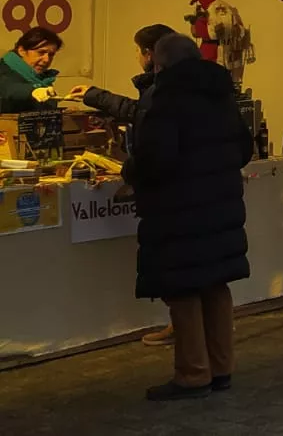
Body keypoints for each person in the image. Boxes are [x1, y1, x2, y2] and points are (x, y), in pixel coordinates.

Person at [122, 34, 253, 400]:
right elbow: (244, 148)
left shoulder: (167, 99)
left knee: (182, 289)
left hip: (179, 210)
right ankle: (221, 367)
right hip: (221, 206)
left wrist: (131, 169)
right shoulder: (222, 95)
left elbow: (156, 160)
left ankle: (193, 374)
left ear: (159, 65)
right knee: (215, 286)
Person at [67, 23, 179, 347]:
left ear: (149, 54)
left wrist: (130, 171)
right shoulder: (187, 87)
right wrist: (95, 96)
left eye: (137, 50)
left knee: (178, 265)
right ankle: (198, 339)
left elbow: (152, 139)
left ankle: (192, 359)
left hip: (170, 196)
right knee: (196, 271)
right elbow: (139, 112)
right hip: (192, 197)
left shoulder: (167, 90)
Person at [0, 27, 64, 113]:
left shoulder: (42, 79)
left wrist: (62, 112)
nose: (46, 59)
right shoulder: (3, 70)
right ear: (21, 50)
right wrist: (33, 91)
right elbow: (8, 89)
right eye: (41, 52)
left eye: (51, 54)